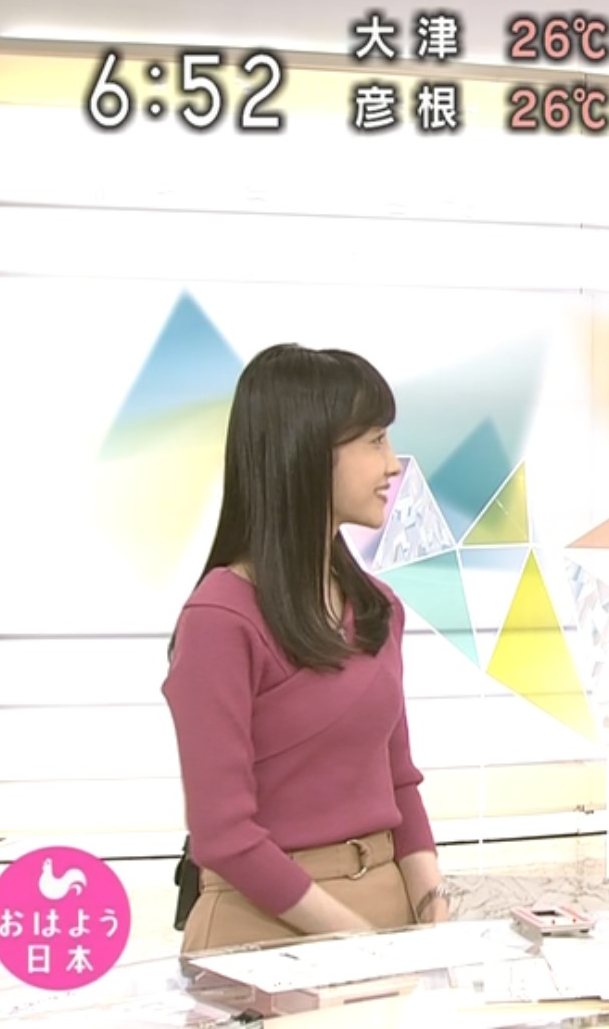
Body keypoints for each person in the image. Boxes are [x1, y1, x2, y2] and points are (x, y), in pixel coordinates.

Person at [164, 343, 446, 953]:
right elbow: (224, 836)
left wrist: (432, 909)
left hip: (390, 919)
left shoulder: (378, 608)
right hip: (263, 933)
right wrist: (361, 943)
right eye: (374, 441)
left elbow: (399, 782)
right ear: (307, 451)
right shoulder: (220, 619)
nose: (393, 464)